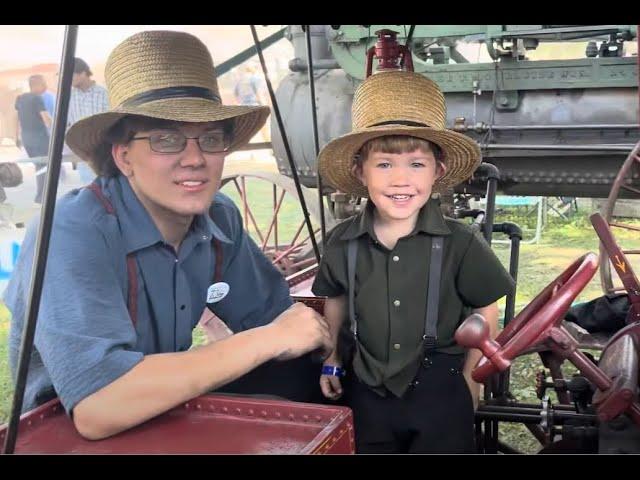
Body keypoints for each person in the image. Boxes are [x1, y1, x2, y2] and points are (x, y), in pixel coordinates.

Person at [5, 30, 331, 441]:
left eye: (210, 139)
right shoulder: (72, 231)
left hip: (163, 401)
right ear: (124, 156)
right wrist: (267, 340)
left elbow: (277, 317)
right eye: (166, 139)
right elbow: (99, 406)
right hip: (66, 428)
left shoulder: (219, 219)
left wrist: (333, 328)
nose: (194, 159)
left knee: (319, 379)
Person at [311, 70, 515, 453]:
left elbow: (485, 308)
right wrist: (333, 357)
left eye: (416, 165)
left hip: (440, 386)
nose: (401, 180)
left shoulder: (460, 242)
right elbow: (335, 300)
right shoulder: (342, 241)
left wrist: (472, 379)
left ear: (437, 171)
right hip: (366, 389)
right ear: (360, 171)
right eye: (385, 164)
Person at [66, 57, 109, 184]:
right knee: (89, 187)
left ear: (83, 73)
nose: (68, 79)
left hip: (103, 150)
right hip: (82, 153)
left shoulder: (104, 94)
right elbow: (68, 124)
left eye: (72, 75)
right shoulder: (69, 97)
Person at [15, 74, 53, 203]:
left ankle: (40, 196)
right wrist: (59, 128)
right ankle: (43, 197)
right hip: (39, 137)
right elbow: (46, 119)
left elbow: (18, 120)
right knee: (45, 166)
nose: (45, 86)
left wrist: (17, 137)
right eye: (43, 83)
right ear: (36, 85)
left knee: (39, 165)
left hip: (26, 138)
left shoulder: (20, 98)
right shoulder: (37, 98)